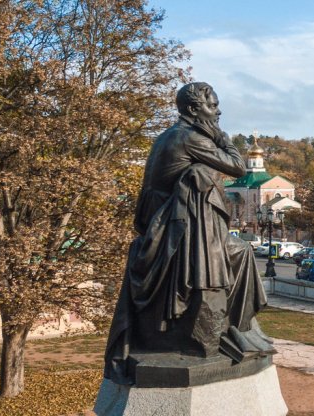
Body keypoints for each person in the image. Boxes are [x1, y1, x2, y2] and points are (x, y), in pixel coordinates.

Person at [103, 82, 274, 385]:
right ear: (194, 109)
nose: (218, 111)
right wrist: (222, 137)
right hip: (177, 234)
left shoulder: (167, 136)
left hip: (168, 226)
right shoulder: (188, 138)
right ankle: (234, 329)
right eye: (213, 105)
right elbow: (236, 167)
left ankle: (232, 328)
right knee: (242, 252)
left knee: (237, 250)